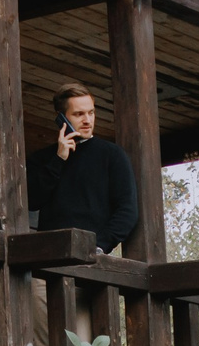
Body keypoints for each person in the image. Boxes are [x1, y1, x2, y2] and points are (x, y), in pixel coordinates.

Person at [26, 83, 139, 254]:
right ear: (61, 118)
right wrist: (59, 159)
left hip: (92, 262)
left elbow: (127, 210)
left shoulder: (112, 154)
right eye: (79, 114)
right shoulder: (43, 158)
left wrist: (99, 246)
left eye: (91, 113)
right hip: (47, 259)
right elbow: (33, 201)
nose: (87, 120)